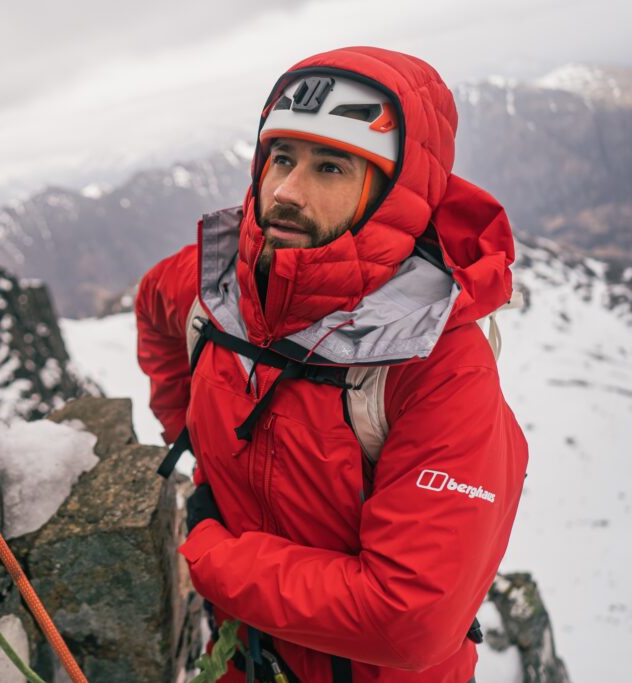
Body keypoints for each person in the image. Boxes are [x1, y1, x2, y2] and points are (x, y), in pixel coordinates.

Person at [135, 46, 528, 683]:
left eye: (331, 167)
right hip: (242, 659)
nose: (288, 191)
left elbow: (410, 617)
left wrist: (213, 553)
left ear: (391, 194)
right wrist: (195, 437)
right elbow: (154, 306)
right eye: (281, 158)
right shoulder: (215, 287)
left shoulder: (438, 364)